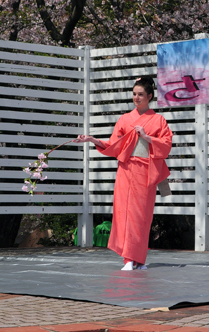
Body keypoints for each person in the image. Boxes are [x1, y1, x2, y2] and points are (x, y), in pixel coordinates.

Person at [74, 76, 172, 270]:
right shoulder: (125, 119)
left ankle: (139, 259)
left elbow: (166, 145)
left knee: (142, 216)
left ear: (150, 96)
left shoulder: (158, 120)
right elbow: (113, 145)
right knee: (125, 214)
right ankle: (128, 259)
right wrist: (92, 139)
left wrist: (146, 136)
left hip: (145, 172)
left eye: (141, 94)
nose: (136, 97)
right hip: (126, 171)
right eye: (134, 94)